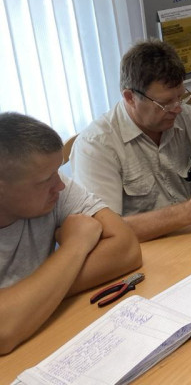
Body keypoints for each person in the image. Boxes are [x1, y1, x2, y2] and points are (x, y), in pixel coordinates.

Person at [71, 40, 191, 242]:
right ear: (130, 97)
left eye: (180, 97)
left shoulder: (183, 117)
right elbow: (105, 230)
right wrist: (190, 211)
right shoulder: (96, 145)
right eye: (165, 103)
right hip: (143, 249)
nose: (177, 108)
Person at [0, 113, 141, 355]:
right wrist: (75, 245)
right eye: (46, 179)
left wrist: (32, 300)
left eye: (58, 170)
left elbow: (127, 248)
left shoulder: (53, 189)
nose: (61, 185)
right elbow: (3, 332)